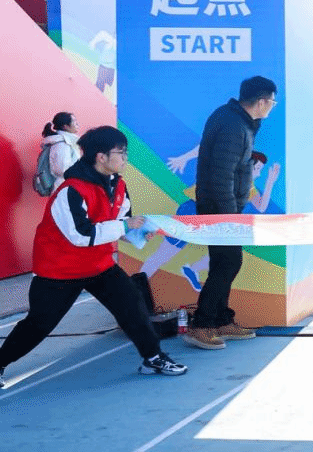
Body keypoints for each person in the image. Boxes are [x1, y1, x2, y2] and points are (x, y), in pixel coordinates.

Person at [0, 126, 187, 389]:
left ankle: (153, 358)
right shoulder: (70, 191)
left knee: (132, 304)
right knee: (39, 325)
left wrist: (136, 234)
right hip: (59, 271)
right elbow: (81, 235)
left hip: (99, 265)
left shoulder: (118, 184)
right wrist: (124, 227)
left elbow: (119, 221)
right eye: (121, 153)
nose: (125, 159)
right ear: (101, 156)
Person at [189, 75, 277, 350]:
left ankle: (221, 320)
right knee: (228, 263)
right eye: (272, 102)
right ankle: (202, 325)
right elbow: (221, 175)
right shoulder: (232, 125)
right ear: (261, 102)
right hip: (219, 208)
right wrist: (230, 216)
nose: (272, 107)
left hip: (225, 207)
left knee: (224, 264)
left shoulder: (239, 121)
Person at [40, 111, 82, 186]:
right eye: (74, 121)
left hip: (68, 184)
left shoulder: (66, 142)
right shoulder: (62, 144)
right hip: (64, 186)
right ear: (65, 126)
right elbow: (62, 170)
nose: (77, 124)